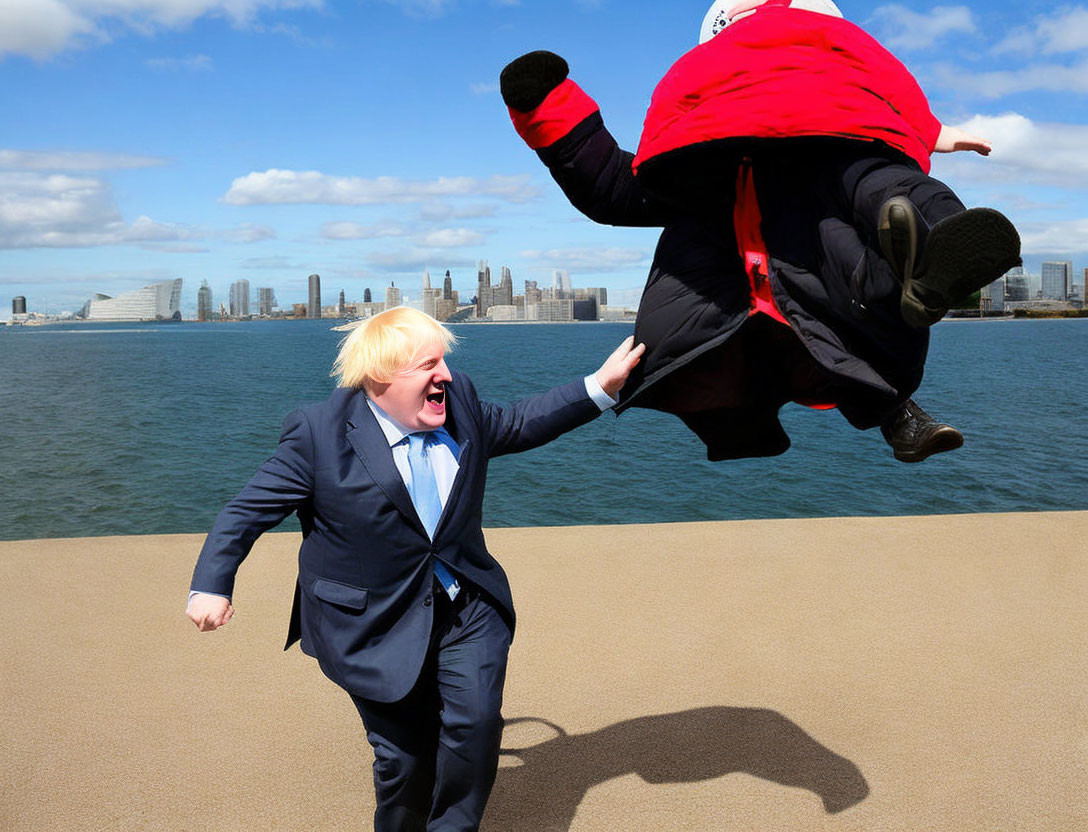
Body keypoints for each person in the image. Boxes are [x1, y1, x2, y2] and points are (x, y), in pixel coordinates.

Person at [498, 0, 1020, 463]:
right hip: (745, 316)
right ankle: (922, 284)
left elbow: (612, 188)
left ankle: (934, 261)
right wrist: (550, 110)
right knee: (882, 200)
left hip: (799, 304)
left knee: (882, 200)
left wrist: (923, 129)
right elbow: (615, 189)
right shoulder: (705, 178)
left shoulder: (815, 168)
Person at [186, 307, 644, 832]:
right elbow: (246, 511)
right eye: (429, 364)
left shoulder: (460, 403)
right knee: (405, 762)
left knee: (473, 729)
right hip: (369, 624)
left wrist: (600, 387)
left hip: (465, 605)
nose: (445, 375)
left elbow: (518, 422)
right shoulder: (318, 434)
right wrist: (210, 586)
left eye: (444, 361)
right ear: (383, 375)